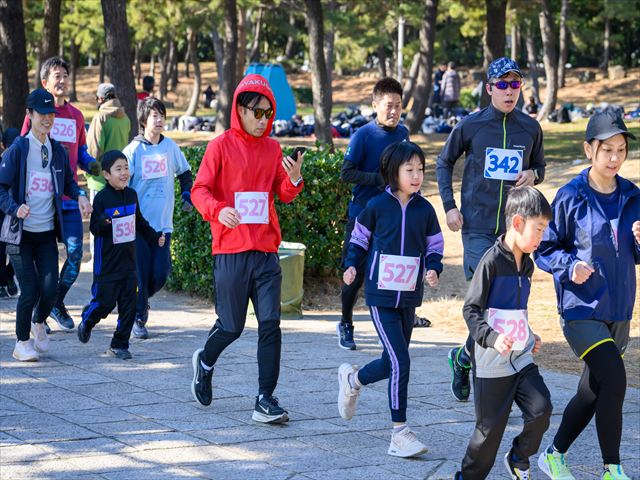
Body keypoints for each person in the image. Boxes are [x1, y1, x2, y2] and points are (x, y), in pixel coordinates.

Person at [189, 74, 304, 424]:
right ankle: (205, 361)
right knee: (231, 326)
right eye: (257, 112)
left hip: (266, 252)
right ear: (240, 109)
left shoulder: (273, 149)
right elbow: (199, 190)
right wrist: (218, 210)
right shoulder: (219, 146)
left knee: (271, 324)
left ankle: (265, 399)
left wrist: (294, 179)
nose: (263, 119)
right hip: (230, 251)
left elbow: (282, 192)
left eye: (269, 113)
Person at [534, 111, 638, 480]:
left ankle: (553, 455)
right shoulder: (570, 196)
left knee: (592, 391)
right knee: (616, 380)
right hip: (581, 308)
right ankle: (612, 468)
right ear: (588, 149)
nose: (614, 157)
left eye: (621, 149)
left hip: (619, 308)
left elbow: (633, 253)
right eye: (607, 149)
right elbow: (544, 247)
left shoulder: (633, 196)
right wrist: (570, 266)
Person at [436, 57, 546, 403]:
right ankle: (491, 383)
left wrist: (534, 175)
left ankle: (463, 357)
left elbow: (540, 165)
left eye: (515, 84)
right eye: (502, 85)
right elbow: (443, 162)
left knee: (501, 307)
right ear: (489, 88)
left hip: (513, 231)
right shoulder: (471, 125)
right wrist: (450, 206)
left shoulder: (530, 128)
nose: (509, 91)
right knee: (485, 303)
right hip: (477, 228)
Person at [338, 141, 443, 458]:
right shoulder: (377, 206)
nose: (416, 176)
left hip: (409, 298)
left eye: (420, 169)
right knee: (401, 361)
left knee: (390, 362)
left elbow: (434, 246)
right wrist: (351, 265)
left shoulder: (425, 210)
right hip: (380, 296)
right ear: (392, 172)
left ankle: (353, 380)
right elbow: (358, 240)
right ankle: (399, 433)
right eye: (409, 170)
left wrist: (434, 268)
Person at [454, 186, 553, 480]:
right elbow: (471, 310)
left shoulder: (528, 266)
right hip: (491, 362)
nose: (541, 237)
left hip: (520, 358)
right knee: (489, 432)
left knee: (542, 409)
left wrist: (529, 334)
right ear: (518, 223)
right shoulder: (491, 262)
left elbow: (515, 310)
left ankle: (518, 457)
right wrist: (493, 338)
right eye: (538, 229)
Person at [0, 89, 92, 362]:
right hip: (20, 235)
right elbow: (1, 188)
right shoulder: (18, 150)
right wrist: (15, 208)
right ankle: (21, 343)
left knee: (51, 289)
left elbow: (68, 183)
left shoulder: (57, 150)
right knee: (30, 289)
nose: (47, 119)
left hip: (45, 234)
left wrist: (80, 195)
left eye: (51, 113)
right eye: (41, 114)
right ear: (30, 114)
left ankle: (38, 321)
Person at [21, 56, 100, 333]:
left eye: (65, 75)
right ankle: (40, 311)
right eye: (57, 75)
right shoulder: (35, 114)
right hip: (41, 200)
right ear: (45, 82)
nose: (62, 80)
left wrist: (91, 164)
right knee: (43, 260)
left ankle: (55, 302)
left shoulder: (76, 116)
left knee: (76, 254)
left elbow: (81, 152)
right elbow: (23, 149)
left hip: (68, 198)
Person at [338, 77, 409, 351]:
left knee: (390, 272)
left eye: (398, 105)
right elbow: (346, 173)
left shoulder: (403, 134)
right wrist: (377, 179)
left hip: (391, 216)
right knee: (354, 273)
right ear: (375, 104)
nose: (394, 111)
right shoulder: (363, 135)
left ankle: (392, 324)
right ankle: (346, 322)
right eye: (389, 105)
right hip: (363, 214)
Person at [77, 151, 164, 359]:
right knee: (105, 303)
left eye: (126, 168)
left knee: (129, 305)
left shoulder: (132, 195)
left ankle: (120, 344)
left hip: (129, 262)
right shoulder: (102, 199)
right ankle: (88, 319)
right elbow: (95, 229)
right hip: (107, 264)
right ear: (107, 175)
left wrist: (154, 237)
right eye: (118, 169)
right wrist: (104, 222)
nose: (124, 172)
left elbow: (139, 222)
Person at [123, 97, 193, 339]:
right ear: (144, 120)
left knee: (160, 274)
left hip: (163, 226)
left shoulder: (170, 147)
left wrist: (186, 193)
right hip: (139, 227)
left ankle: (140, 299)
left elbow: (185, 173)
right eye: (155, 115)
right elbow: (121, 183)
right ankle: (139, 317)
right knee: (141, 274)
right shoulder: (133, 150)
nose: (160, 120)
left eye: (162, 115)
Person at [86, 83, 132, 260]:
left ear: (100, 98)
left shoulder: (100, 117)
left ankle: (97, 259)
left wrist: (89, 170)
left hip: (100, 179)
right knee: (117, 221)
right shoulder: (125, 118)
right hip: (119, 178)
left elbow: (94, 150)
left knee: (98, 223)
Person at [0, 128, 20, 299]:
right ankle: (6, 278)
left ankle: (5, 278)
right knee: (13, 248)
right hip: (13, 210)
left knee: (8, 249)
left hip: (12, 211)